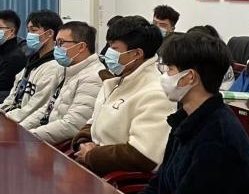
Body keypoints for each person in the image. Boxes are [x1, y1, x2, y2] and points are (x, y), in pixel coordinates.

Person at [134, 33, 249, 194]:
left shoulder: (217, 136)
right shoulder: (185, 118)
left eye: (170, 69)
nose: (164, 76)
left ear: (190, 77)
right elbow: (159, 183)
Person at [72, 16, 173, 175]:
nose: (107, 53)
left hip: (115, 180)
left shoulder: (156, 92)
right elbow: (95, 121)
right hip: (92, 167)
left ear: (137, 54)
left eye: (114, 48)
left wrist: (93, 155)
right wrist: (83, 142)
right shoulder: (116, 81)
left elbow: (144, 155)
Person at [22, 21, 104, 145]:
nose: (56, 48)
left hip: (63, 145)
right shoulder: (66, 69)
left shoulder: (93, 77)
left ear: (81, 47)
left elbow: (73, 125)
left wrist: (31, 136)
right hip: (47, 136)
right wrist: (21, 129)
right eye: (56, 43)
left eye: (61, 43)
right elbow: (48, 108)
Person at [0, 10, 64, 120]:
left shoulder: (54, 66)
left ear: (50, 34)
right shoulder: (32, 61)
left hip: (25, 122)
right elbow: (13, 94)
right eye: (28, 31)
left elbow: (35, 107)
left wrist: (7, 117)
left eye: (34, 30)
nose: (29, 35)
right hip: (12, 116)